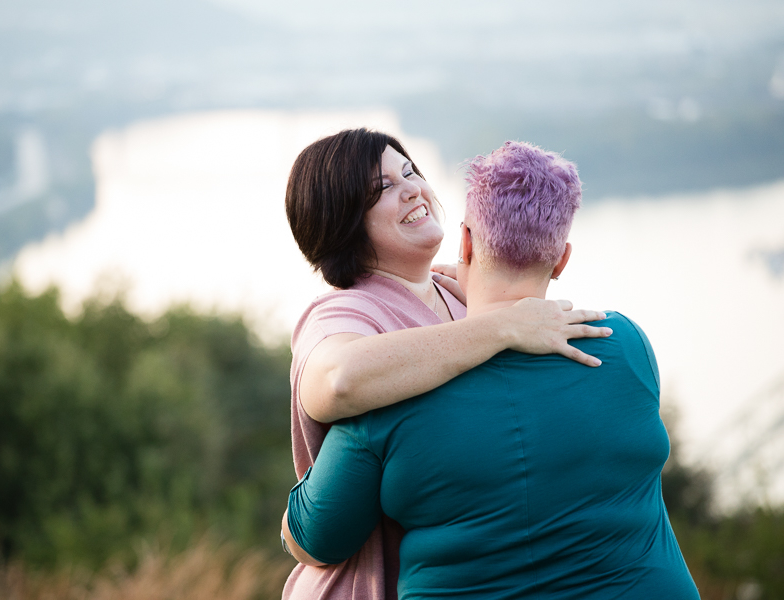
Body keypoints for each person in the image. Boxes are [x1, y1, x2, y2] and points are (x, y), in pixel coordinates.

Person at [283, 141, 700, 599]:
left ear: (465, 243)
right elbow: (338, 379)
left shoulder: (450, 295)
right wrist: (503, 322)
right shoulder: (340, 314)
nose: (411, 189)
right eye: (382, 187)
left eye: (410, 171)